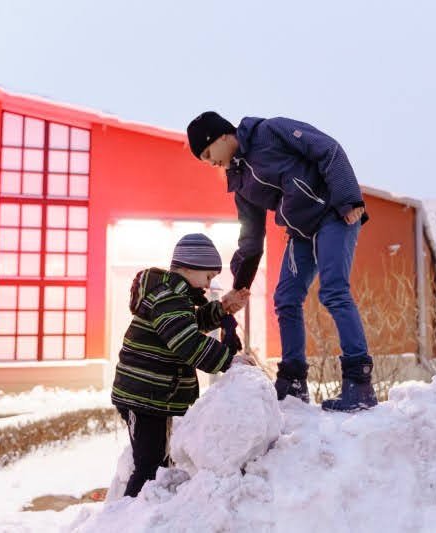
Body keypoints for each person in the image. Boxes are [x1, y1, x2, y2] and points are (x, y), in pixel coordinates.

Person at [186, 111, 377, 412]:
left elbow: (328, 148)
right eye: (205, 160)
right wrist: (240, 287)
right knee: (285, 299)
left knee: (333, 290)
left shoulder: (270, 132)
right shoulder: (240, 181)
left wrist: (349, 198)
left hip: (335, 214)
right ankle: (293, 384)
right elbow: (251, 237)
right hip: (302, 233)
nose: (211, 163)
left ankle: (359, 384)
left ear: (223, 136)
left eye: (209, 153)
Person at [110, 233, 254, 497]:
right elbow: (186, 340)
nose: (210, 282)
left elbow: (189, 322)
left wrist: (222, 308)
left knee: (158, 462)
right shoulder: (168, 297)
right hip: (142, 394)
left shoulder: (175, 297)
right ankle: (125, 516)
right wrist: (227, 359)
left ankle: (148, 512)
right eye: (208, 276)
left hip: (154, 395)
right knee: (149, 465)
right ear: (189, 268)